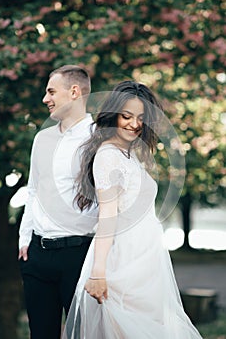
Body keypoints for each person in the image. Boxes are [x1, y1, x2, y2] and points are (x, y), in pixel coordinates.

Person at [62, 81, 203, 339]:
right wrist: (98, 272)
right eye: (126, 116)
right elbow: (107, 216)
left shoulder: (129, 153)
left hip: (145, 260)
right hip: (122, 259)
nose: (134, 124)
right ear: (113, 114)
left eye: (140, 118)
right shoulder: (108, 156)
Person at [18, 65, 98, 339]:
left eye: (51, 91)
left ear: (74, 92)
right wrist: (24, 238)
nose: (45, 99)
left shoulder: (100, 138)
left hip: (80, 255)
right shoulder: (42, 138)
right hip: (37, 255)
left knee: (83, 335)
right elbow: (33, 190)